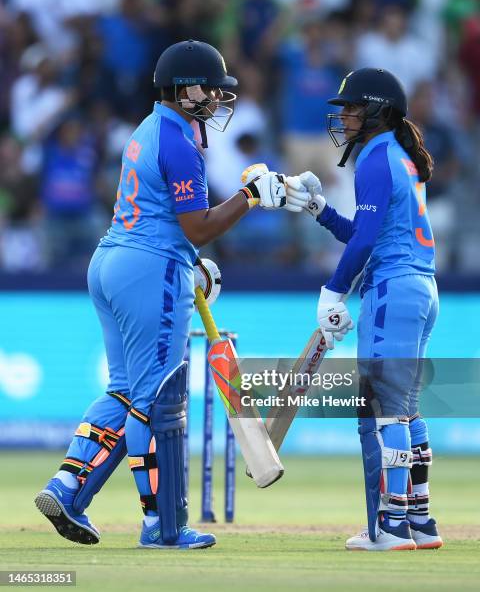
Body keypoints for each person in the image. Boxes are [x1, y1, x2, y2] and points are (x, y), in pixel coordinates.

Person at [34, 39, 309, 550]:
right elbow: (199, 227)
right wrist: (250, 198)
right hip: (149, 270)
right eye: (212, 89)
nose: (219, 99)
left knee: (123, 390)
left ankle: (67, 487)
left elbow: (172, 223)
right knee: (157, 401)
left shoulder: (147, 129)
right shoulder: (180, 142)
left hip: (111, 261)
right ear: (185, 90)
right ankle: (162, 524)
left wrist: (187, 258)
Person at [300, 68, 443, 550]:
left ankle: (393, 527)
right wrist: (320, 210)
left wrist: (333, 290)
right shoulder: (398, 155)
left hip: (394, 291)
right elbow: (365, 233)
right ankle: (420, 522)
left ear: (379, 110)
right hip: (421, 289)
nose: (344, 117)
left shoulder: (377, 158)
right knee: (406, 411)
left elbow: (365, 242)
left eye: (353, 108)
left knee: (385, 413)